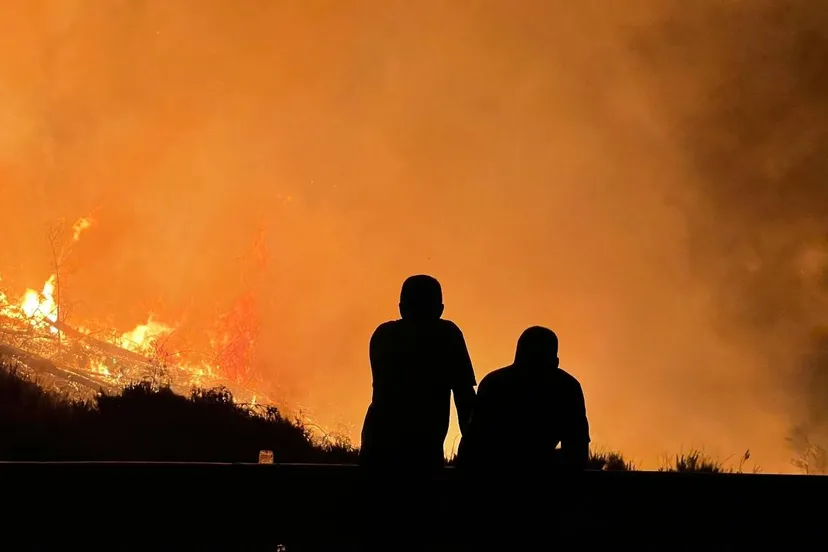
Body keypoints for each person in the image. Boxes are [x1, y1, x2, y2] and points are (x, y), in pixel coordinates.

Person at [359, 275, 477, 469]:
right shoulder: (447, 335)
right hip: (424, 444)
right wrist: (474, 450)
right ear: (440, 309)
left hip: (378, 441)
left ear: (401, 307)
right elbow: (464, 399)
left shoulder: (383, 335)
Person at [457, 325, 590, 470]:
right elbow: (578, 453)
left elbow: (469, 448)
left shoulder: (494, 383)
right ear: (555, 362)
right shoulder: (567, 388)